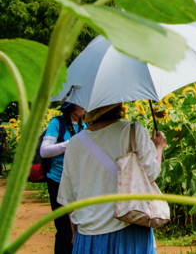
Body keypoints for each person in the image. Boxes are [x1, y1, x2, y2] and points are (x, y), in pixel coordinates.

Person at [56, 103, 166, 254]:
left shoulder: (75, 142)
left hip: (89, 235)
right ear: (118, 105)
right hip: (130, 229)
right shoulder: (133, 131)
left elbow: (69, 197)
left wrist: (75, 233)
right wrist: (158, 148)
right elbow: (151, 175)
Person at [40, 102, 86, 254]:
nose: (85, 108)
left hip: (80, 183)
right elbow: (44, 151)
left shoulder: (85, 126)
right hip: (58, 181)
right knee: (64, 229)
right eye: (82, 105)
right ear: (72, 106)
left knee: (81, 226)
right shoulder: (57, 123)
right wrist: (69, 144)